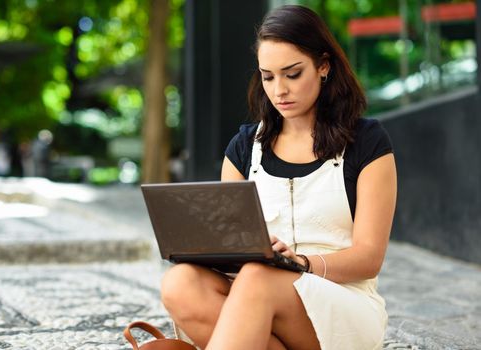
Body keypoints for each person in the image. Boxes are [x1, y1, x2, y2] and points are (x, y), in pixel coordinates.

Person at [161, 5, 397, 350]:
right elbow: (230, 244)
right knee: (180, 282)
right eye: (268, 76)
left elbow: (369, 258)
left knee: (259, 276)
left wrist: (298, 264)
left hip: (343, 304)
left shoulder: (367, 142)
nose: (279, 90)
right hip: (256, 297)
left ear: (324, 66)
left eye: (292, 73)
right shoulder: (243, 149)